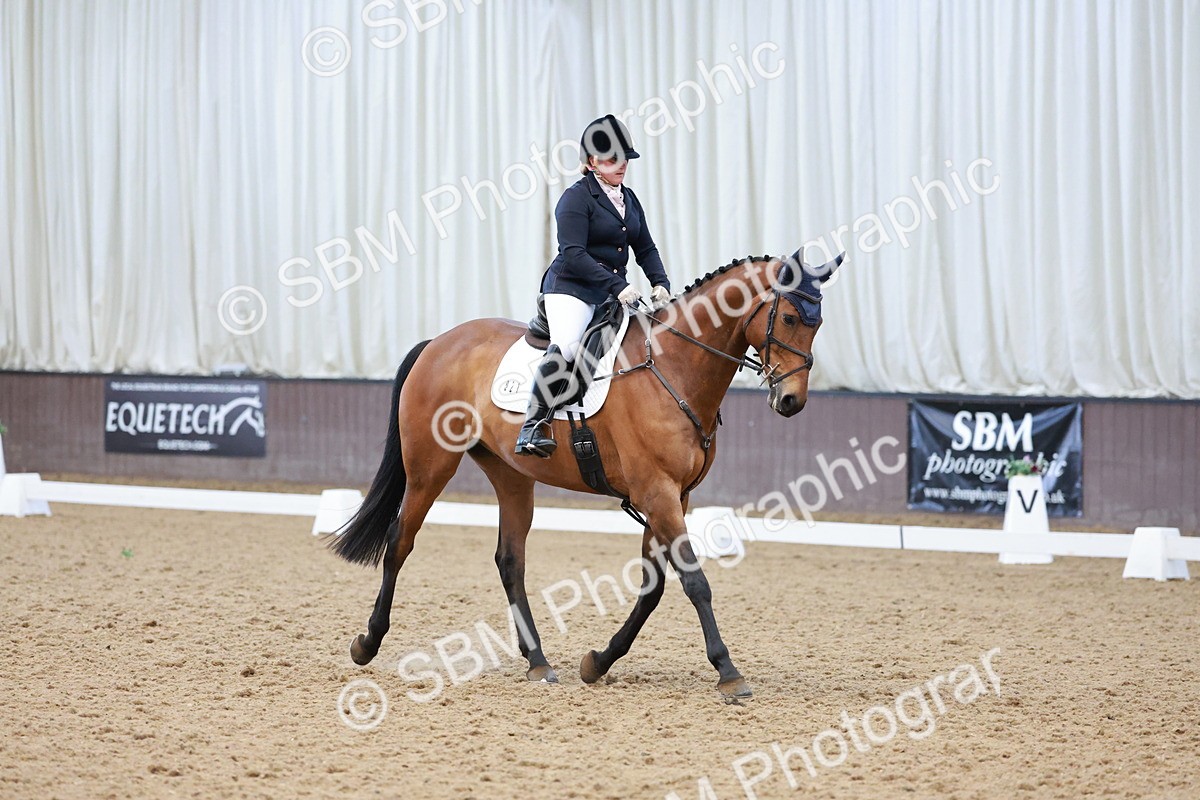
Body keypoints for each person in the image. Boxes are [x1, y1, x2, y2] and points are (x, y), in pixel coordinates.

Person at [515, 114, 673, 457]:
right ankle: (532, 425)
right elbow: (573, 254)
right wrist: (617, 285)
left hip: (610, 293)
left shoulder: (628, 199)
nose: (622, 165)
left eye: (624, 159)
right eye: (613, 159)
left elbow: (644, 247)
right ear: (591, 162)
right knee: (569, 346)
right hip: (571, 288)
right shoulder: (575, 199)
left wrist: (660, 282)